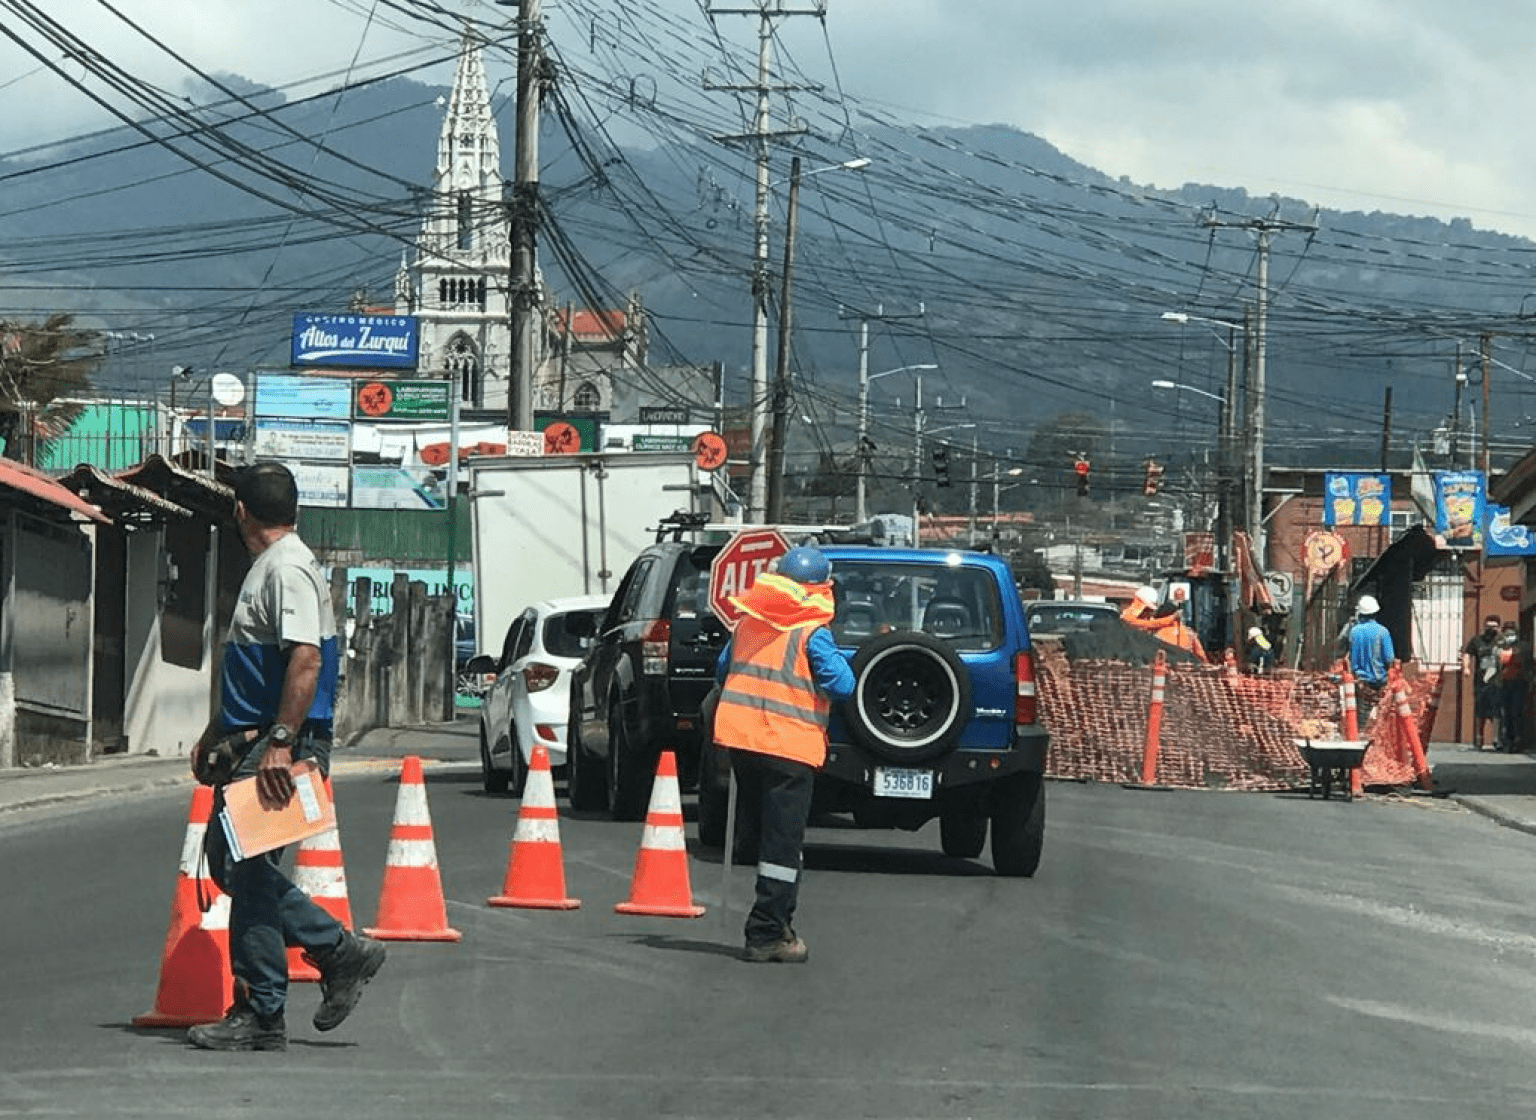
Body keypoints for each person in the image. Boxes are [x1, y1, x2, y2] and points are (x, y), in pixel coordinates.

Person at [187, 462, 386, 1051]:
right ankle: (328, 958)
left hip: (277, 744)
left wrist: (280, 742)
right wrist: (215, 732)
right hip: (254, 738)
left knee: (245, 871)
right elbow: (260, 670)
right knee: (234, 867)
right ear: (293, 511)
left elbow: (306, 659)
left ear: (240, 512)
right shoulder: (274, 566)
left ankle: (271, 1004)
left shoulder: (288, 569)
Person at [713, 545, 855, 964]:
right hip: (789, 749)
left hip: (743, 743)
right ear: (821, 588)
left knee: (764, 837)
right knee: (782, 847)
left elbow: (723, 671)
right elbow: (843, 684)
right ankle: (767, 932)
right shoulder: (812, 633)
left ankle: (775, 924)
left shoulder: (746, 623)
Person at [1463, 614, 1504, 749]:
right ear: (1484, 627)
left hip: (1497, 683)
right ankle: (1478, 739)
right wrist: (1466, 667)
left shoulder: (1502, 641)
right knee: (1480, 711)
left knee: (1496, 711)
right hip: (1480, 683)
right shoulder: (1477, 640)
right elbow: (1467, 653)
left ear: (1499, 627)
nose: (1490, 629)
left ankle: (1496, 740)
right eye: (1488, 626)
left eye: (1494, 627)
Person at [1495, 622, 1531, 752]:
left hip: (1518, 683)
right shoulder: (1501, 647)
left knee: (1517, 712)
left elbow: (1527, 664)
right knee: (1506, 713)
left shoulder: (1523, 647)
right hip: (1505, 683)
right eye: (1507, 632)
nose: (1509, 635)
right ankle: (1508, 740)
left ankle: (1518, 739)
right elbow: (1497, 665)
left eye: (1511, 632)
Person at [1347, 594, 1394, 690]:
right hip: (1379, 682)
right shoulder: (1383, 631)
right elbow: (1389, 659)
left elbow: (1349, 656)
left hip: (1359, 682)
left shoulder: (1354, 631)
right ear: (1375, 612)